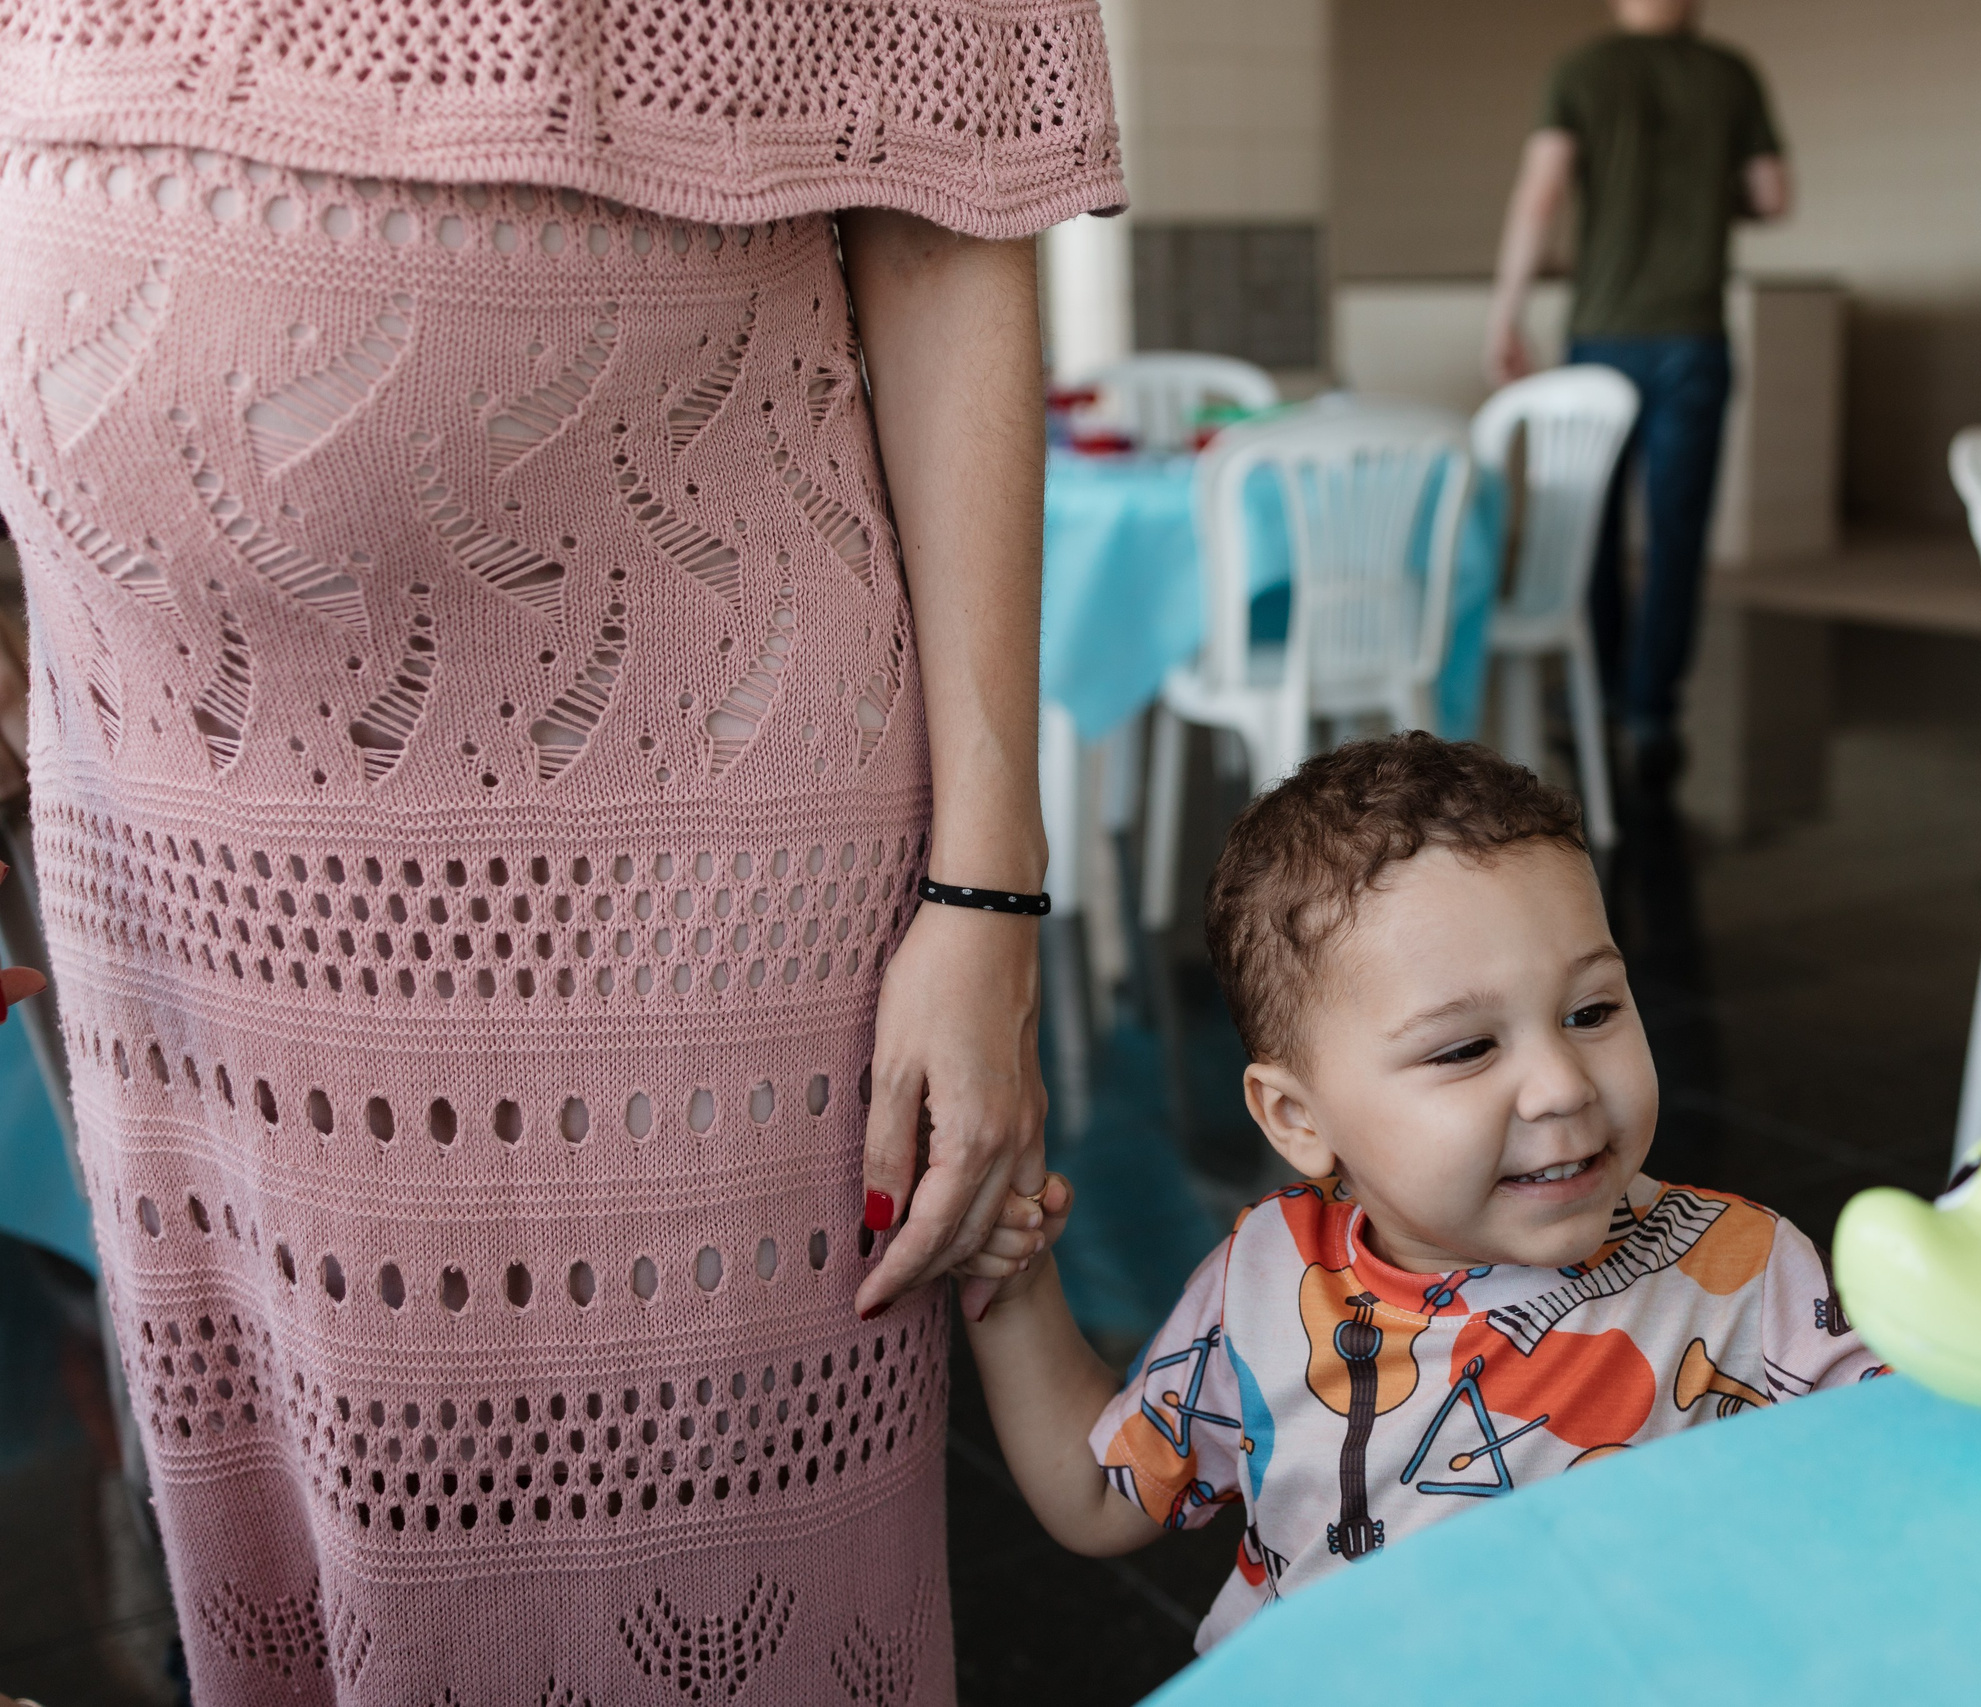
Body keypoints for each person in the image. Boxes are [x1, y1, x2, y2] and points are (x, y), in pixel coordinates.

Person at [0, 2, 1121, 1698]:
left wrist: (986, 891)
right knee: (298, 1508)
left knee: (704, 1553)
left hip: (675, 775)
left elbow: (949, 226)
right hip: (159, 790)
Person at [960, 734, 1881, 1648]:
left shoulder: (1741, 1270)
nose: (1562, 1084)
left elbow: (1909, 1457)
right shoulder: (1269, 1282)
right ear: (1297, 1119)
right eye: (1466, 1048)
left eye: (1591, 1011)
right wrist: (1017, 1290)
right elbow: (1098, 1501)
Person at [1485, 0, 1790, 791]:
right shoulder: (1731, 74)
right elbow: (1773, 196)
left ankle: (1597, 681)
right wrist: (1705, 189)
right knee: (1677, 530)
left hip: (1604, 337)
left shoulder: (1582, 70)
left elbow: (1542, 193)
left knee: (1587, 523)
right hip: (1694, 336)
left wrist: (1506, 311)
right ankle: (1652, 702)